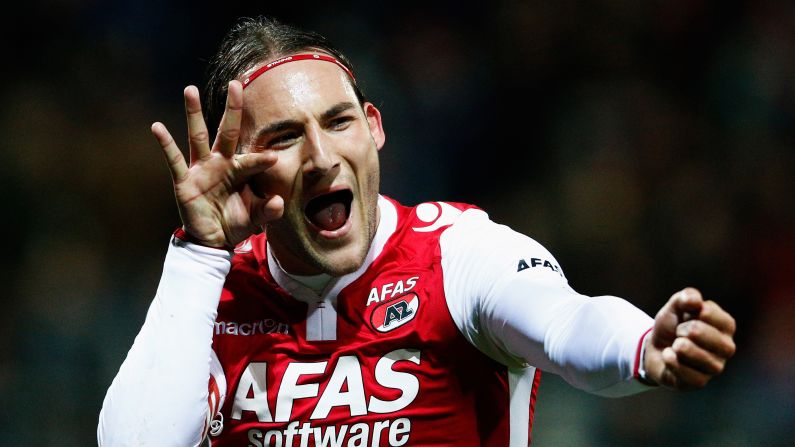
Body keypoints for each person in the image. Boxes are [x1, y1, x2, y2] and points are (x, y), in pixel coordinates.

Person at [98, 16, 736, 447]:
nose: (323, 157)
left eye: (339, 121)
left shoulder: (458, 253)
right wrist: (201, 257)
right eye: (286, 137)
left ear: (373, 128)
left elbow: (567, 324)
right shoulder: (214, 295)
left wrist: (643, 346)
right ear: (240, 168)